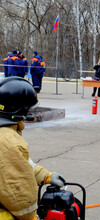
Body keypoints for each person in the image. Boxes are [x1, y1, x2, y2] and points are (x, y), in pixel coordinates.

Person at [0, 77, 65, 219]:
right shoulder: (8, 141)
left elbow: (21, 165)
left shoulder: (6, 134)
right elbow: (19, 194)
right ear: (18, 110)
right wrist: (32, 217)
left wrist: (45, 176)